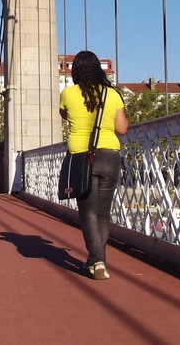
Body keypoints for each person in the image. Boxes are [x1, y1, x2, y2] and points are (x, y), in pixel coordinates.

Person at [59, 50, 129, 281]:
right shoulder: (112, 94)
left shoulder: (68, 94)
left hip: (81, 155)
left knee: (87, 211)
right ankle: (96, 260)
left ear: (75, 71)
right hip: (110, 153)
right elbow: (122, 129)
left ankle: (97, 261)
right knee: (102, 213)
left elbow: (64, 114)